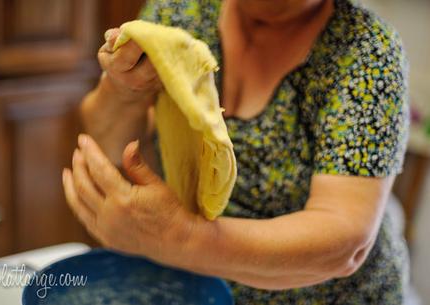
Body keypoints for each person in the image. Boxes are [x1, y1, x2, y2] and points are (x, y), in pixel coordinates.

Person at [62, 0, 410, 303]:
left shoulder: (366, 51)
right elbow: (111, 143)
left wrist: (179, 237)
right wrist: (124, 88)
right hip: (200, 287)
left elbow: (343, 243)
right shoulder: (182, 10)